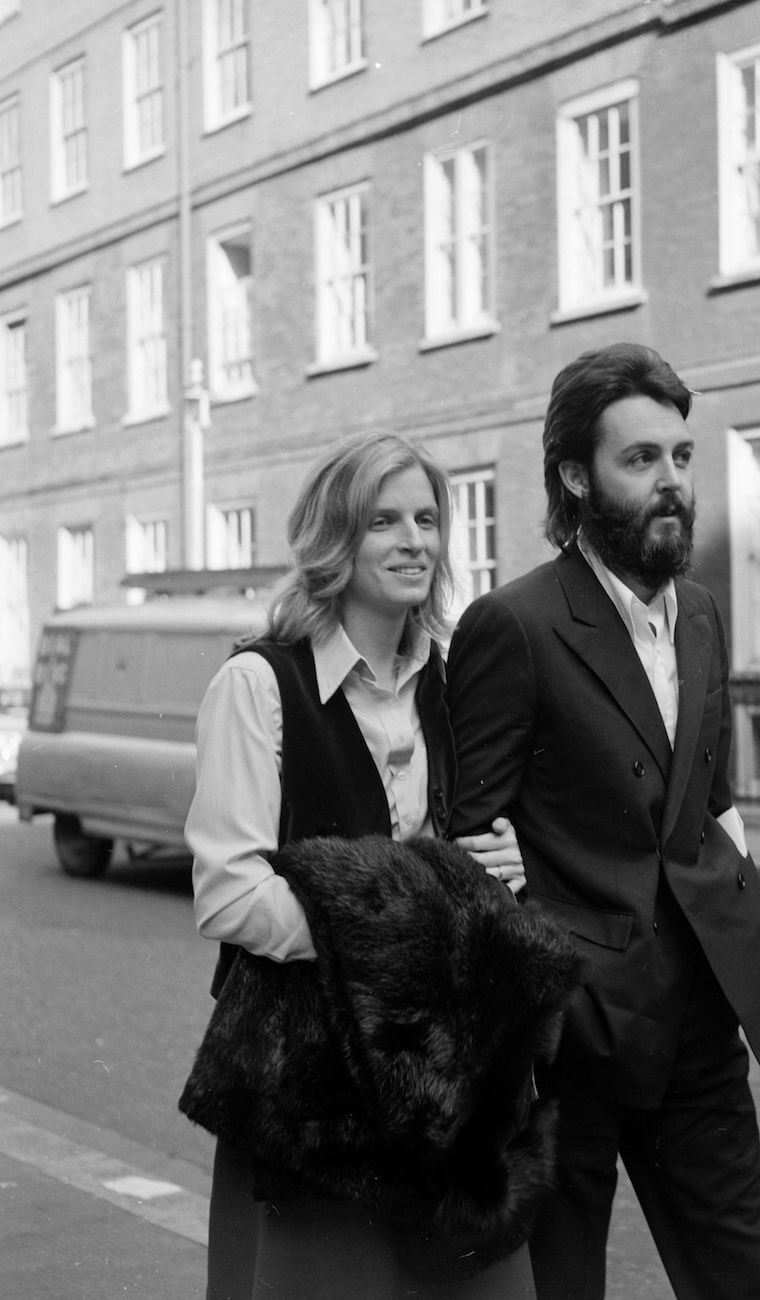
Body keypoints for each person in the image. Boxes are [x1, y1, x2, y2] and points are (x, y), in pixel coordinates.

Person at [446, 342, 760, 1299]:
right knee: (561, 1291)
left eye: (681, 456)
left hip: (697, 1021)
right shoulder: (511, 624)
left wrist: (741, 916)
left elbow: (710, 799)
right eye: (640, 460)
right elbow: (468, 844)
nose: (671, 481)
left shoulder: (705, 617)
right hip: (573, 1041)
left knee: (748, 1279)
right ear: (576, 476)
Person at [184, 431, 544, 1300]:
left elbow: (465, 856)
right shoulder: (259, 686)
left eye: (427, 519)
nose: (414, 539)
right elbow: (230, 894)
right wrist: (409, 928)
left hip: (446, 1087)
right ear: (334, 541)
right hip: (315, 1086)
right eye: (384, 520)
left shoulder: (454, 686)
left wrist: (505, 865)